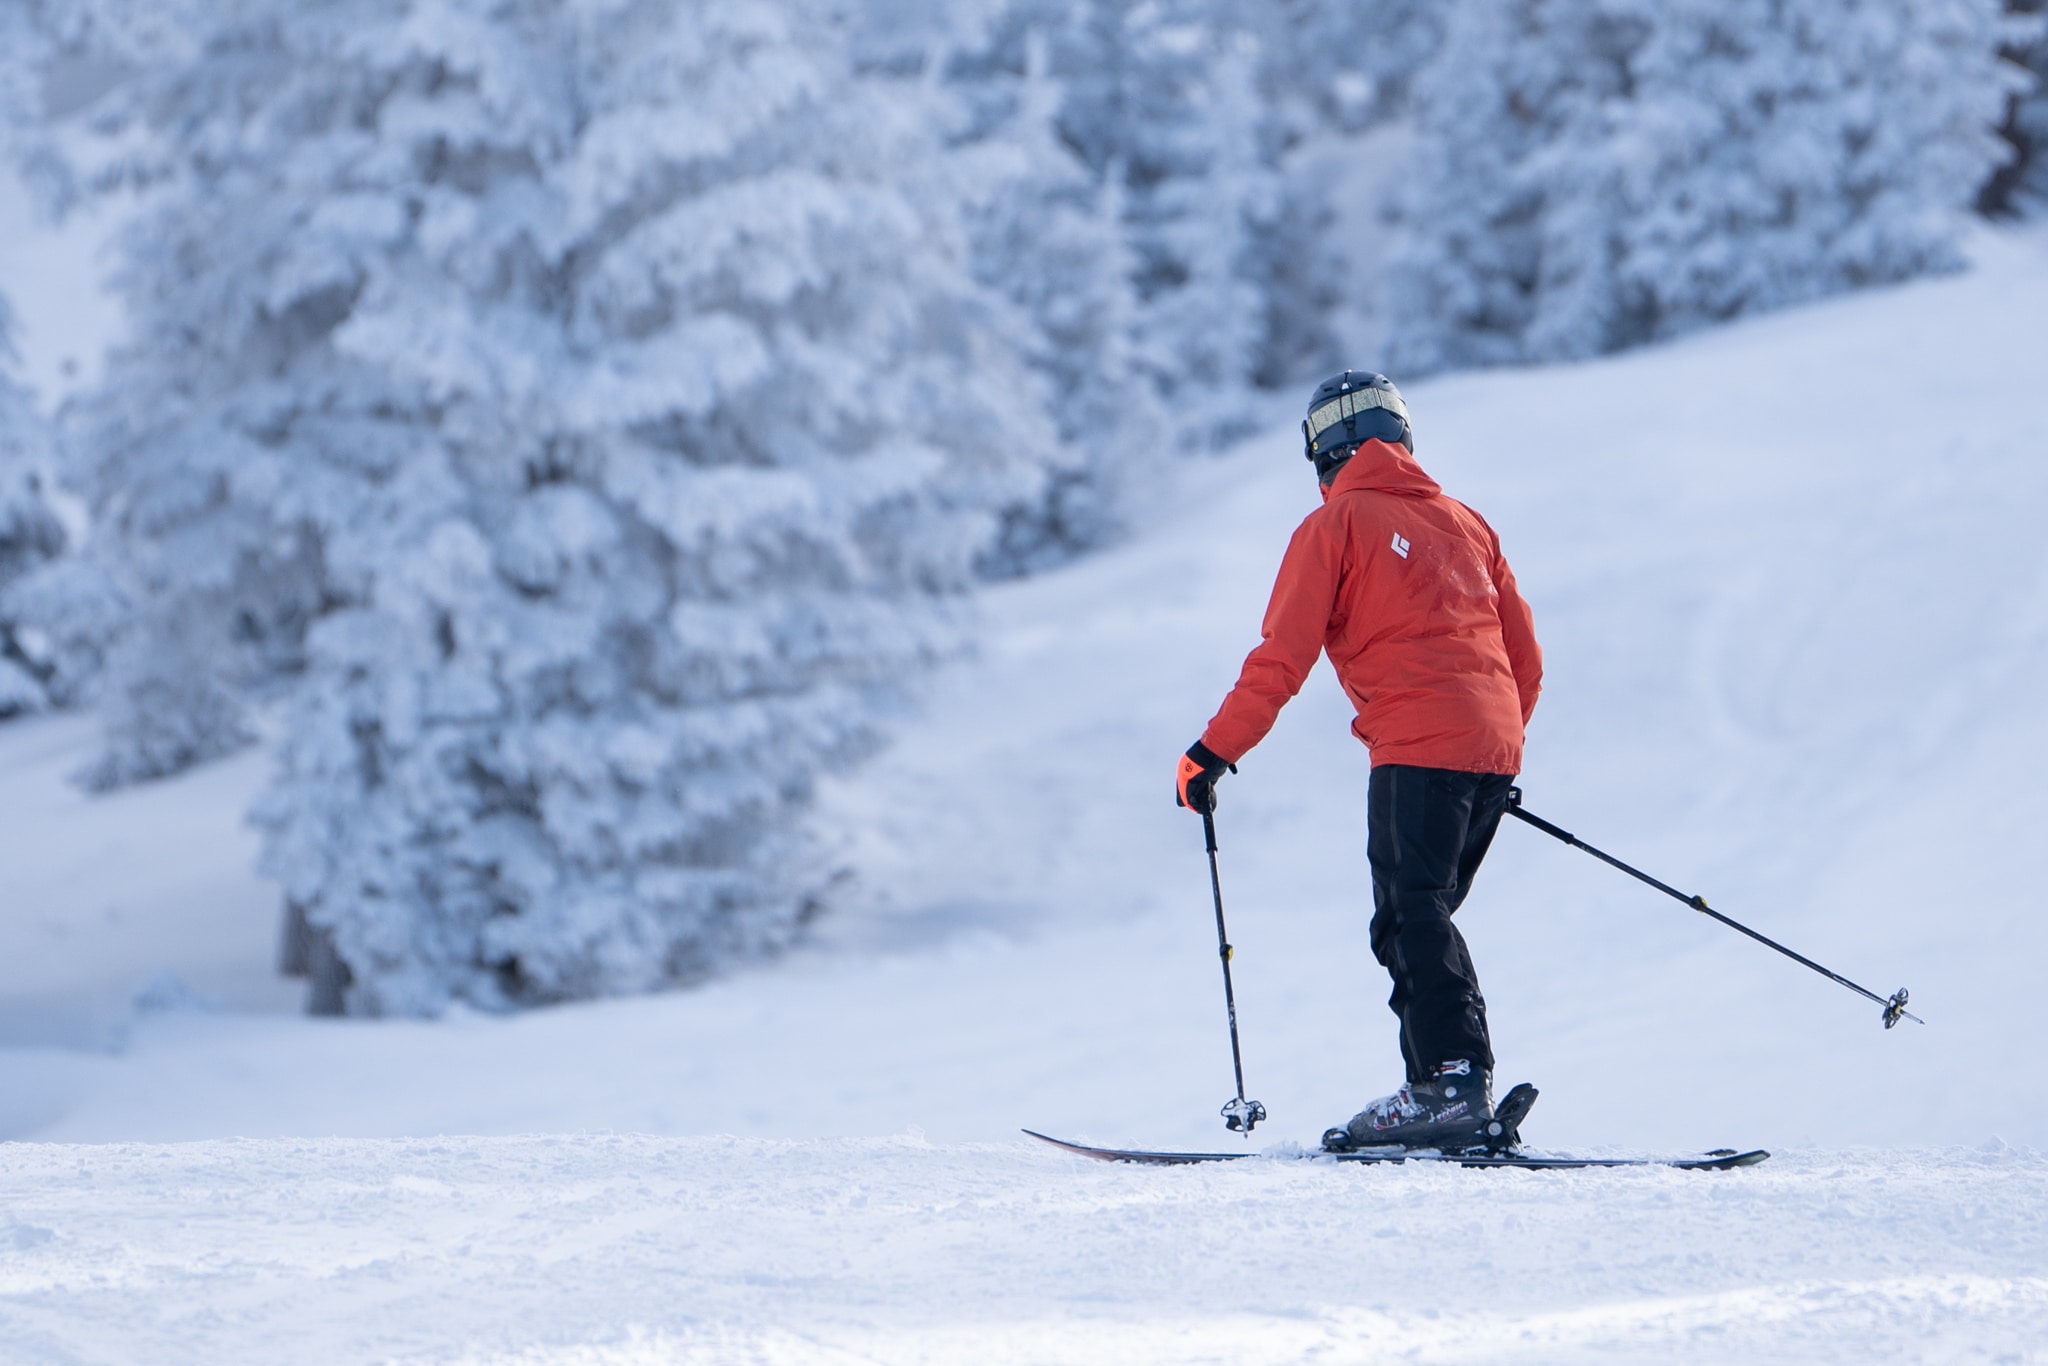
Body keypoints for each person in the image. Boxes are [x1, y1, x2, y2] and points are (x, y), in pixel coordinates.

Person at [1174, 371, 1542, 1151]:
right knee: (1425, 913)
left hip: (1418, 747)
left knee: (1409, 916)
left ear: (1322, 455)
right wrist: (1490, 752)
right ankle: (1452, 1083)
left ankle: (1446, 1086)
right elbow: (1525, 661)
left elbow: (1282, 658)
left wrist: (1211, 753)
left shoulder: (1335, 528)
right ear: (1402, 437)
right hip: (1489, 749)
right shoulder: (1466, 522)